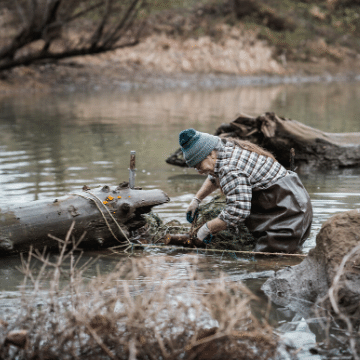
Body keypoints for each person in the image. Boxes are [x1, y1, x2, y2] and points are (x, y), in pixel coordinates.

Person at [179, 128, 313, 253]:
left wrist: (206, 229)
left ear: (210, 154)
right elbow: (214, 177)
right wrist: (196, 200)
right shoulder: (225, 149)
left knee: (269, 264)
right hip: (296, 203)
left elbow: (237, 212)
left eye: (198, 165)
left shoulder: (229, 168)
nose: (198, 171)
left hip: (288, 215)